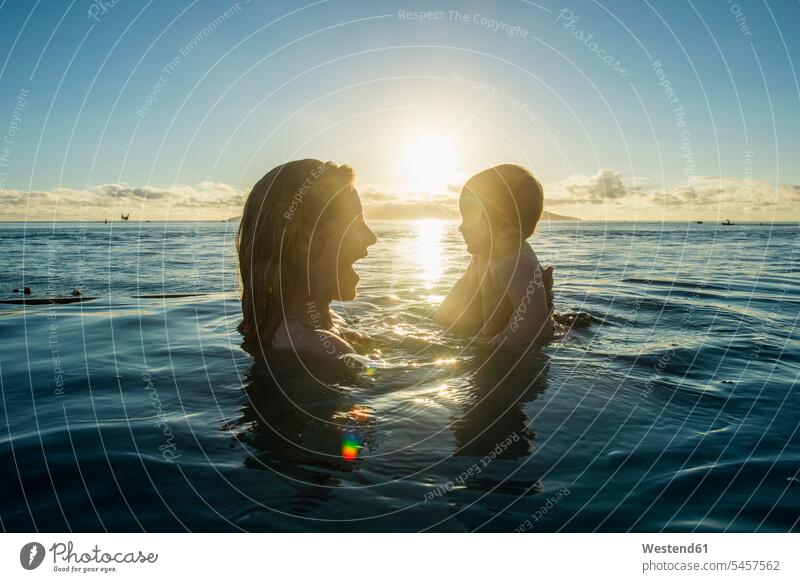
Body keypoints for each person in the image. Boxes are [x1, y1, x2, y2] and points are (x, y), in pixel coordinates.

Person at [237, 159, 376, 357]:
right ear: (306, 240)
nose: (372, 238)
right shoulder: (322, 347)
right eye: (356, 222)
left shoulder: (265, 326)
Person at [436, 164, 554, 346]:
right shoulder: (483, 256)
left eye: (469, 219)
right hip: (491, 335)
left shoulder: (516, 262)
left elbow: (533, 320)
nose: (461, 227)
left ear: (503, 226)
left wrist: (497, 345)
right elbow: (461, 291)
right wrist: (441, 321)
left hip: (517, 356)